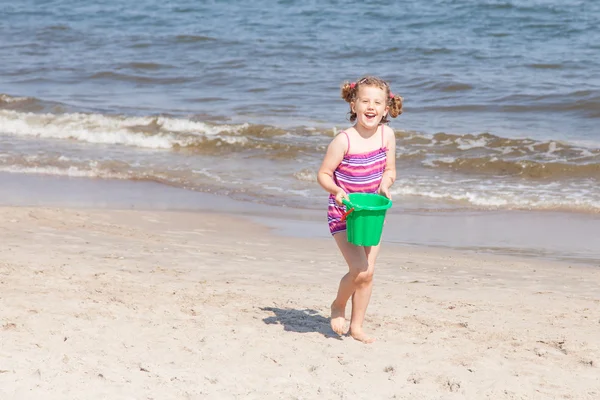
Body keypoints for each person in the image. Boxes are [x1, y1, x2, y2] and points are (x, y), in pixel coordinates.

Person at [317, 76, 403, 343]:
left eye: (377, 102)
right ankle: (338, 304)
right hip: (344, 213)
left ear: (386, 108)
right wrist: (337, 191)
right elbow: (323, 174)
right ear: (354, 105)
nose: (371, 106)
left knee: (368, 272)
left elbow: (390, 170)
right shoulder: (344, 141)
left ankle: (357, 327)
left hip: (372, 214)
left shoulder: (387, 135)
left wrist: (386, 184)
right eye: (365, 101)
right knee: (360, 268)